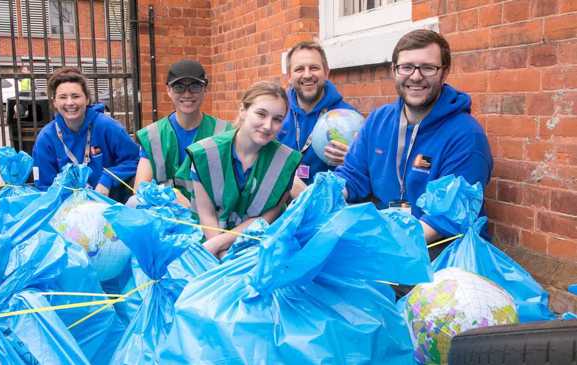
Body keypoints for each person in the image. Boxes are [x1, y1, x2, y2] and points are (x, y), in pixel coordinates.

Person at [335, 29, 493, 257]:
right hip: (389, 242)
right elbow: (353, 176)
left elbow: (447, 217)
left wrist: (388, 247)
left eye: (428, 67)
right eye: (407, 67)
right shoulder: (379, 120)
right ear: (394, 70)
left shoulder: (466, 135)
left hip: (443, 252)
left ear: (444, 72)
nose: (416, 76)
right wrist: (326, 196)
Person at [182, 81, 302, 259]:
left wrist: (220, 245)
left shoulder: (285, 162)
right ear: (243, 111)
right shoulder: (205, 154)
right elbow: (206, 214)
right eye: (261, 114)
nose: (268, 126)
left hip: (257, 247)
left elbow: (268, 217)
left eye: (277, 119)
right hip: (207, 242)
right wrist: (220, 253)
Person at [32, 67, 139, 202]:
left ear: (87, 99)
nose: (70, 103)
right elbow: (44, 187)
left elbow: (135, 160)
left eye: (76, 96)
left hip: (111, 207)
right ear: (54, 102)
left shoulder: (107, 126)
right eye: (63, 97)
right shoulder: (46, 138)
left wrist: (108, 179)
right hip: (66, 213)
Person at [131, 60, 231, 204]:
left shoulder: (224, 132)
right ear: (168, 90)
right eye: (179, 87)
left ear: (205, 89)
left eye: (195, 86)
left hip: (212, 220)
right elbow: (140, 191)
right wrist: (171, 195)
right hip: (167, 216)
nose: (187, 94)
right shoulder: (153, 135)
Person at [278, 41, 358, 187]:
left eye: (314, 68)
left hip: (328, 205)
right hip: (280, 205)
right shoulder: (276, 114)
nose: (307, 75)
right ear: (289, 76)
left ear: (327, 72)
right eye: (299, 69)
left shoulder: (349, 119)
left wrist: (354, 160)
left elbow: (362, 177)